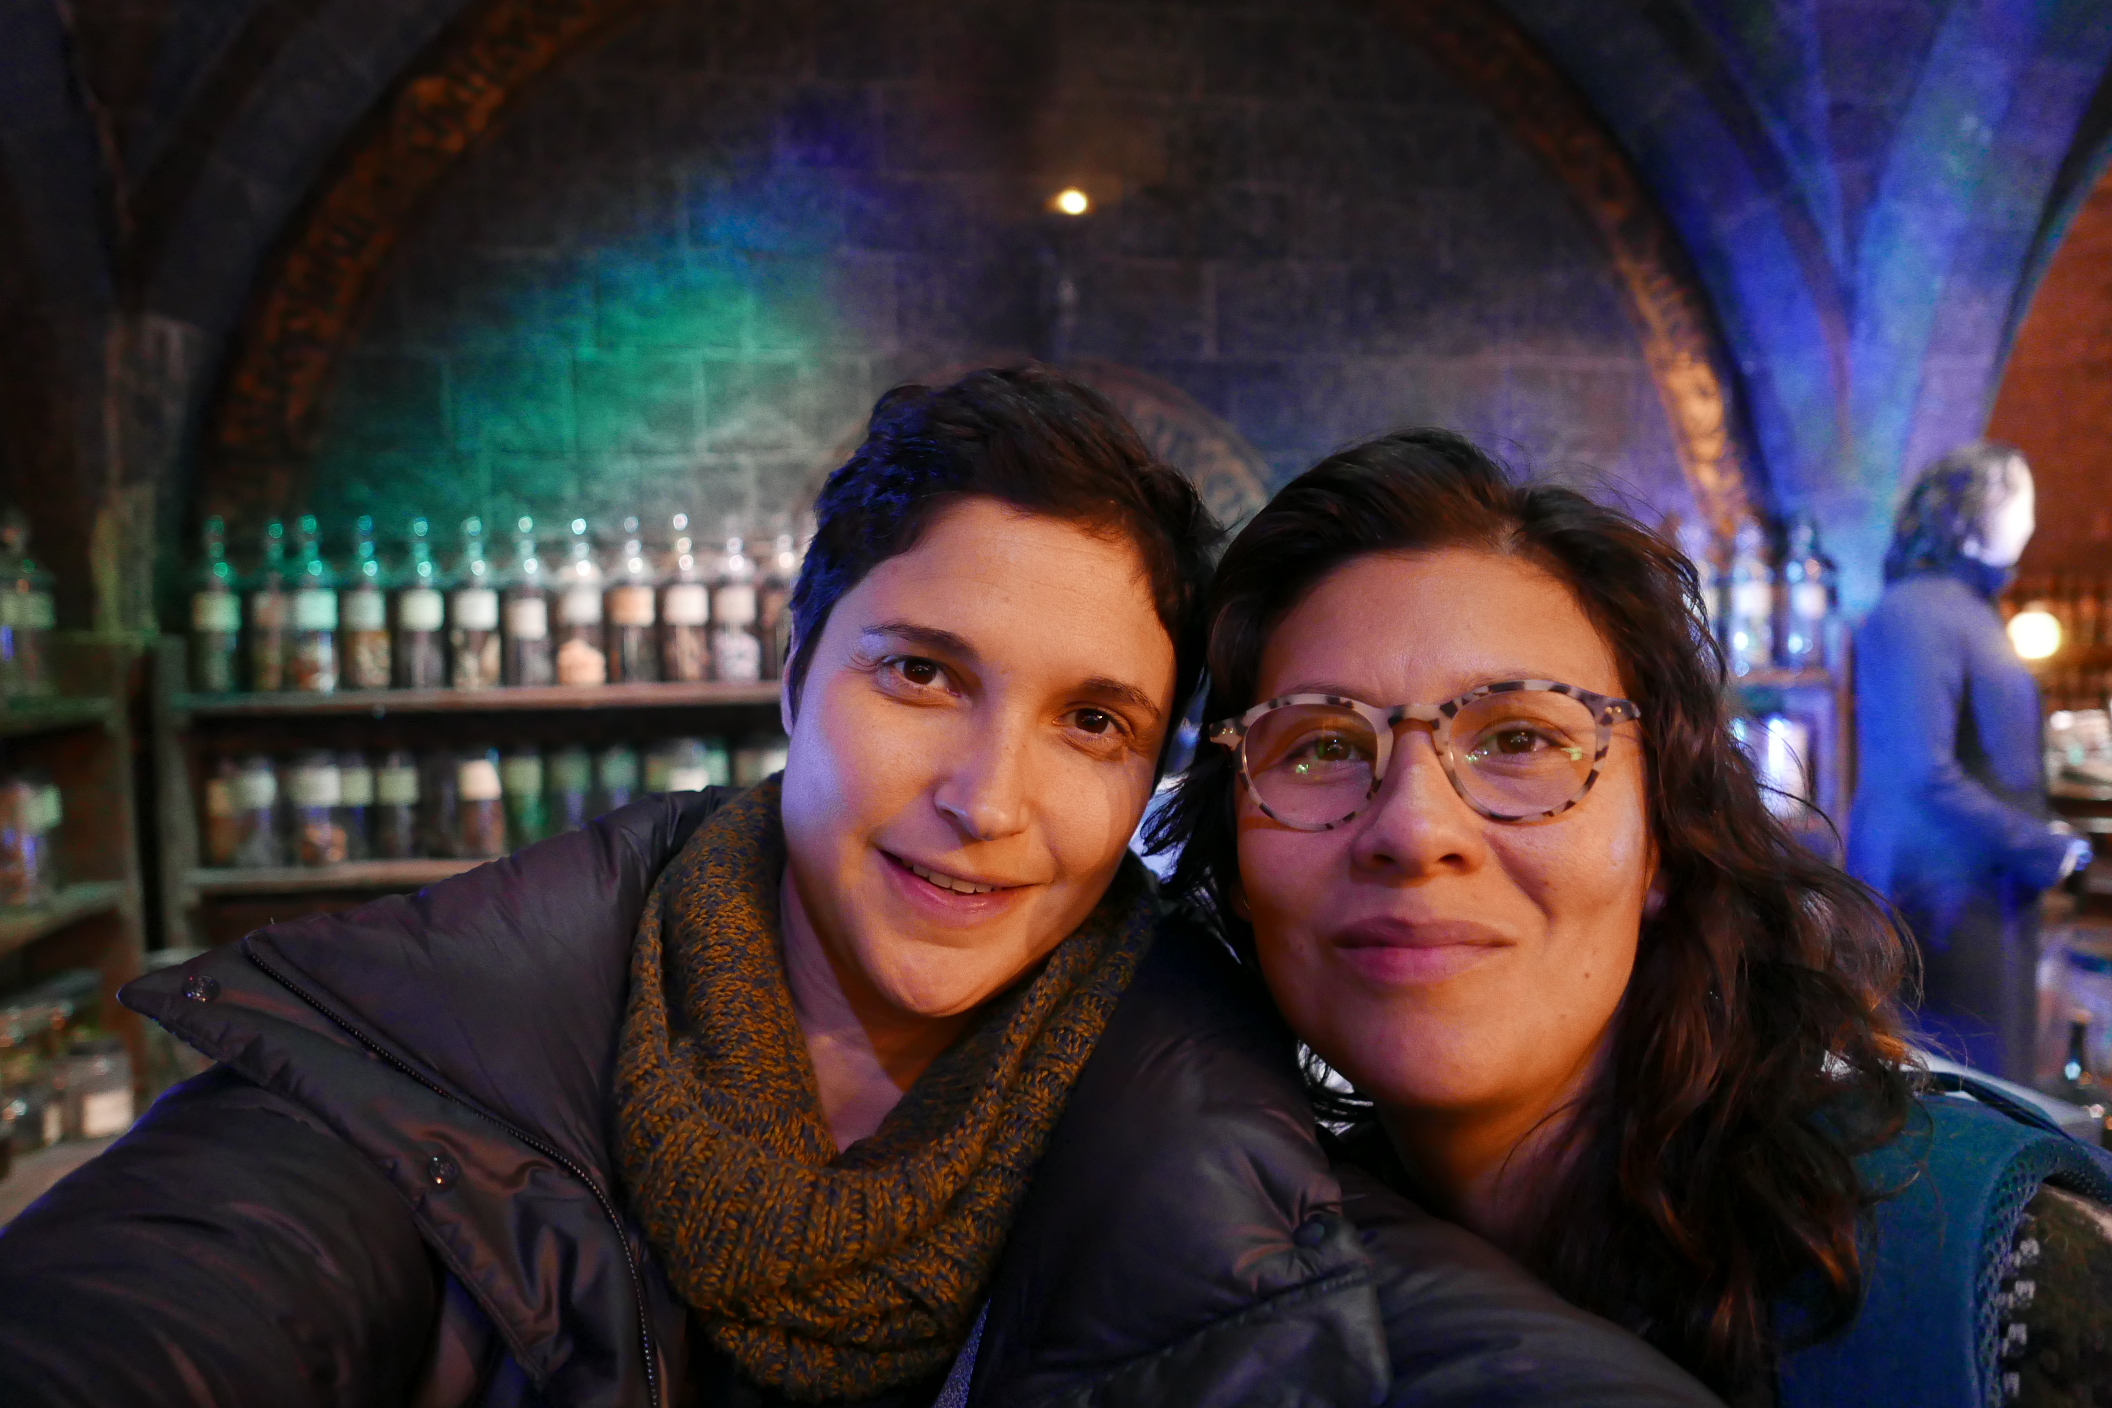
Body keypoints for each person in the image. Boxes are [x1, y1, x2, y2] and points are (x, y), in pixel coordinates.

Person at [0, 375, 1717, 1408]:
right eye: (920, 674)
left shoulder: (1197, 1109)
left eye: (1093, 722)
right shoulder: (444, 1035)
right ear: (793, 675)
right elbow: (193, 1284)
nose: (987, 799)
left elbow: (1375, 1330)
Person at [1151, 429, 2112, 1408]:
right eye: (1320, 745)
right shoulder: (1220, 1280)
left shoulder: (2000, 1283)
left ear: (1662, 838)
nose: (1413, 828)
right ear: (1235, 860)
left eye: (1519, 738)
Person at [1848, 442, 2091, 1081]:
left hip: (1978, 891)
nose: (2032, 520)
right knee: (1959, 1091)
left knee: (1992, 1085)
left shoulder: (1960, 607)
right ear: (1973, 514)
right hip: (1942, 905)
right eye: (2022, 500)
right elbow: (1919, 774)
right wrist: (2043, 847)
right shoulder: (1916, 611)